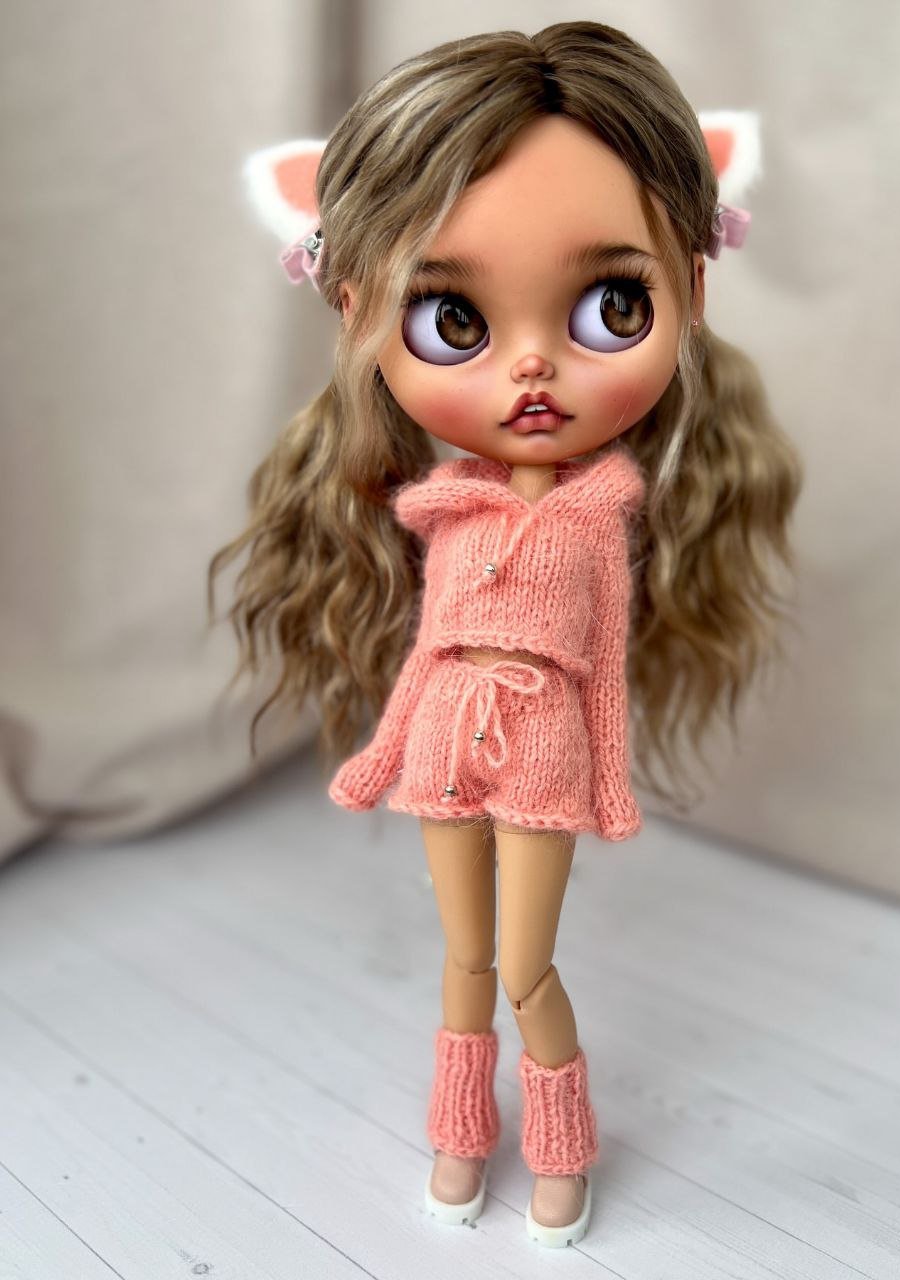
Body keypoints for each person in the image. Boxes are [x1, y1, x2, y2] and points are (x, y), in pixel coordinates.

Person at [209, 20, 802, 1248]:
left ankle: (563, 1142)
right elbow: (430, 653)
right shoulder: (446, 511)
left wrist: (608, 781)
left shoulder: (596, 520)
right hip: (443, 734)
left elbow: (598, 668)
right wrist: (384, 753)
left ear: (690, 293)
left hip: (542, 749)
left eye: (611, 304)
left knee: (526, 965)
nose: (532, 368)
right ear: (360, 312)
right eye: (454, 320)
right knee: (463, 961)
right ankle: (458, 1132)